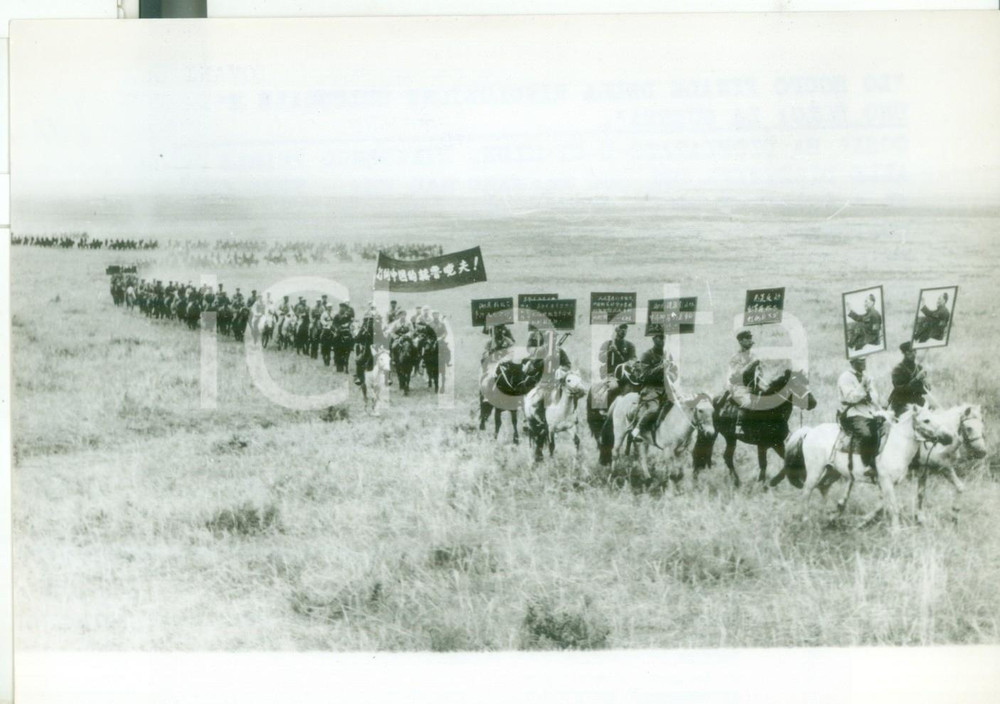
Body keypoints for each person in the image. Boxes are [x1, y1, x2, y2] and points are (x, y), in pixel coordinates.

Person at [837, 356, 882, 480]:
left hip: (868, 411)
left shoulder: (868, 377)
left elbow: (875, 396)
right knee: (865, 433)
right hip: (852, 412)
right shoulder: (845, 377)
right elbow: (850, 398)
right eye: (860, 361)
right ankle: (865, 465)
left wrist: (869, 396)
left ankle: (877, 462)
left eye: (864, 361)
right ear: (853, 362)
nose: (864, 363)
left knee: (882, 431)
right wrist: (862, 387)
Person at [632, 333, 679, 441]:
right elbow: (645, 375)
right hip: (650, 389)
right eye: (660, 338)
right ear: (654, 339)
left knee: (678, 405)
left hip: (665, 389)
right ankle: (637, 430)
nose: (663, 340)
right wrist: (661, 367)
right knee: (654, 409)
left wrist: (669, 375)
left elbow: (675, 373)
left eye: (664, 338)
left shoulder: (667, 355)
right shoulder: (646, 355)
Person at [887, 341, 930, 417]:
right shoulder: (898, 369)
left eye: (914, 351)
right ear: (904, 353)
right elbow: (901, 390)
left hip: (918, 402)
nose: (913, 354)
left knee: (933, 418)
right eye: (910, 352)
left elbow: (925, 391)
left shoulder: (919, 368)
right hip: (902, 403)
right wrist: (917, 378)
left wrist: (926, 383)